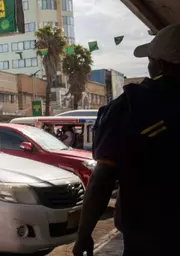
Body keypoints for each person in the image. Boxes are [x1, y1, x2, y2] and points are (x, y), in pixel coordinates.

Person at [73, 24, 180, 256]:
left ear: (160, 64)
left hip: (150, 239)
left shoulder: (131, 105)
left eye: (150, 59)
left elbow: (102, 178)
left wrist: (83, 235)